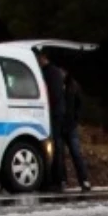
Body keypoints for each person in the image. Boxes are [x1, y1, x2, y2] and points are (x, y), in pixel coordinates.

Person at [36, 49, 68, 192]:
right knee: (54, 145)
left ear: (43, 57)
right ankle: (55, 178)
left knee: (55, 145)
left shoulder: (52, 73)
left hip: (54, 114)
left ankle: (58, 178)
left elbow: (54, 95)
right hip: (54, 113)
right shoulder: (51, 72)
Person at [57, 68, 92, 192]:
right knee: (59, 155)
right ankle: (62, 181)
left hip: (70, 125)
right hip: (59, 125)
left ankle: (84, 180)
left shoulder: (73, 86)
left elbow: (79, 104)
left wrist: (76, 119)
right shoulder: (56, 84)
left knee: (76, 153)